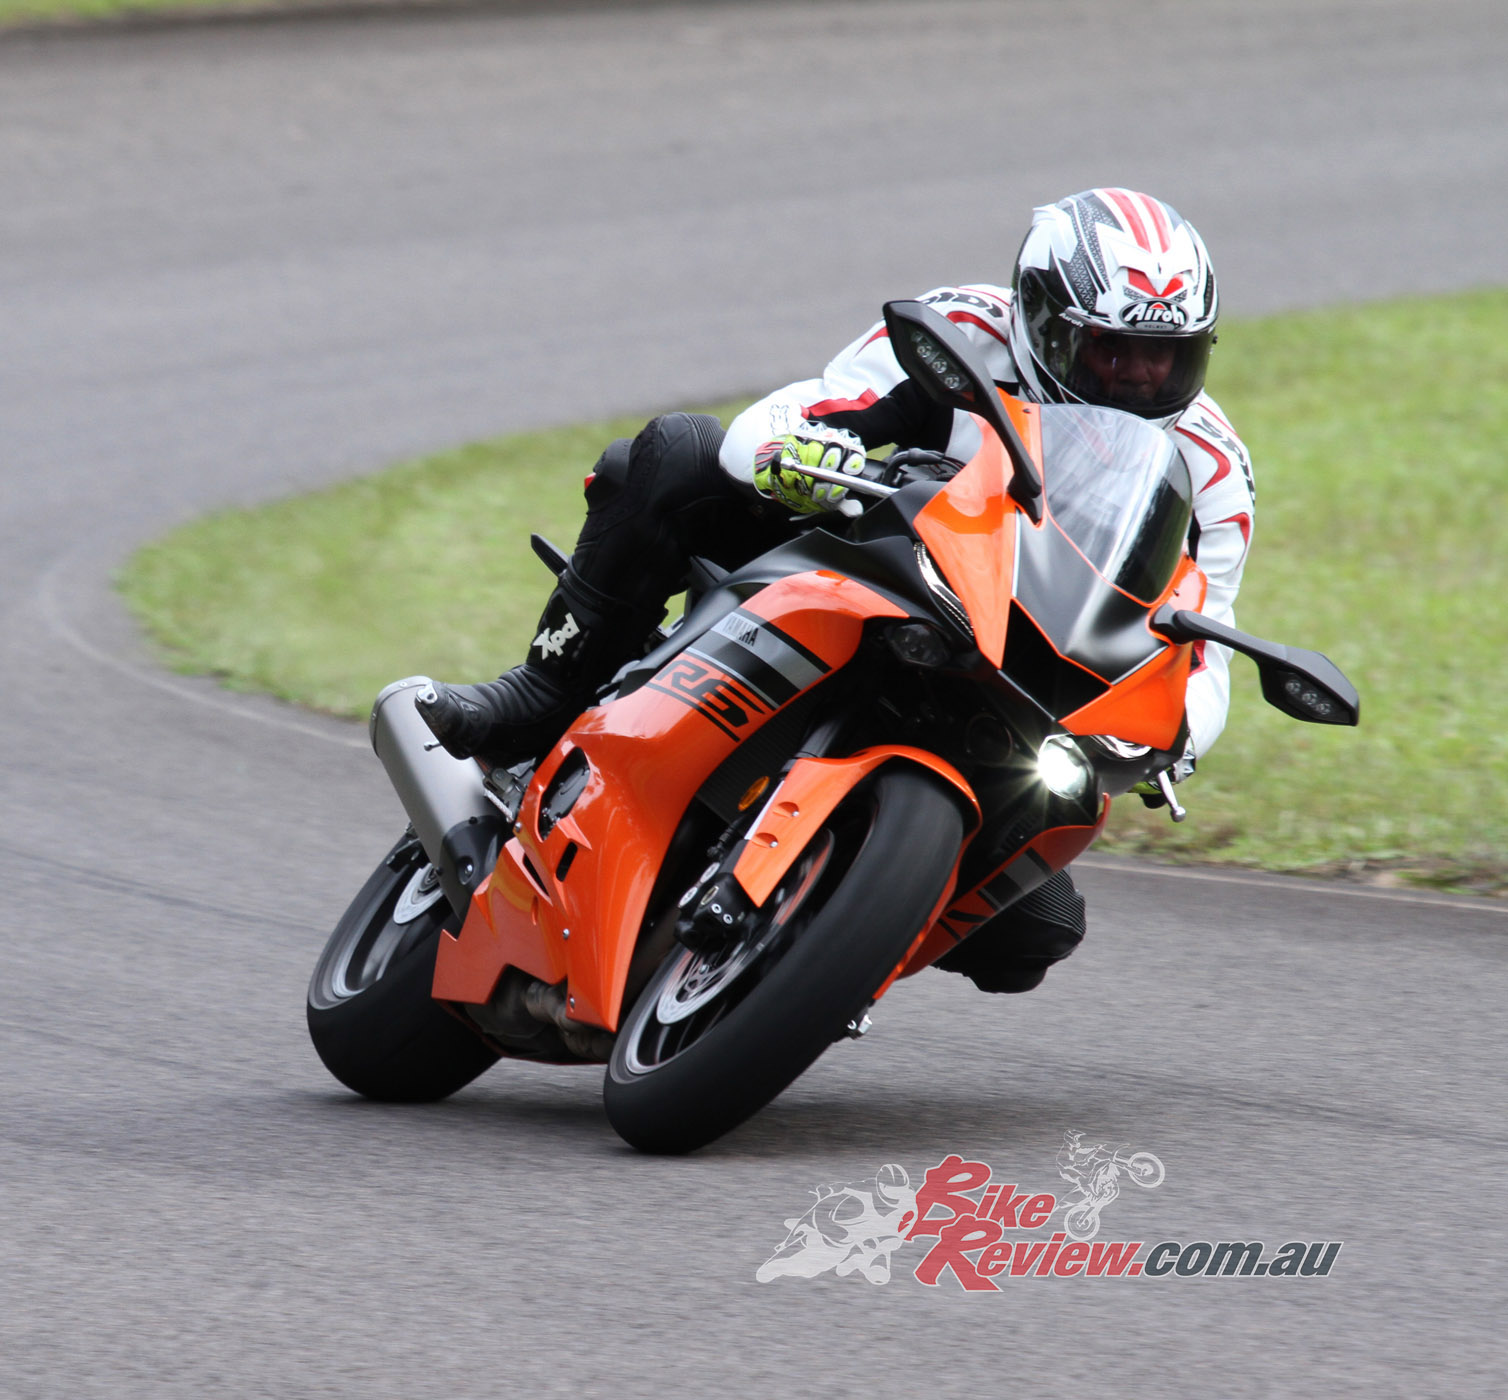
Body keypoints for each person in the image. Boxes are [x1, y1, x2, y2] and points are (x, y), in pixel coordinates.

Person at [414, 189, 1257, 994]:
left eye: (1165, 356)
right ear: (1040, 317)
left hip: (1017, 683)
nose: (1139, 378)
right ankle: (544, 693)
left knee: (1035, 932)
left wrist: (1174, 733)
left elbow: (1204, 643)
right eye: (1110, 349)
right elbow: (794, 414)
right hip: (873, 574)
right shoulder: (959, 330)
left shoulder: (1213, 467)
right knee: (675, 455)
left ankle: (823, 944)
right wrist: (801, 456)